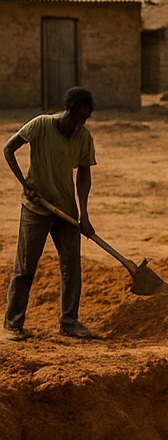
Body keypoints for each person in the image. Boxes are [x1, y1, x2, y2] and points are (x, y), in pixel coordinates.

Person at [2, 87, 98, 341]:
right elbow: (8, 149)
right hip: (36, 208)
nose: (90, 114)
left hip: (65, 210)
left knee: (71, 268)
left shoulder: (83, 136)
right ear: (75, 107)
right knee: (25, 268)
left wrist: (84, 215)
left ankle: (69, 322)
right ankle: (13, 324)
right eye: (88, 108)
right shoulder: (41, 125)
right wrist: (25, 185)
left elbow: (84, 175)